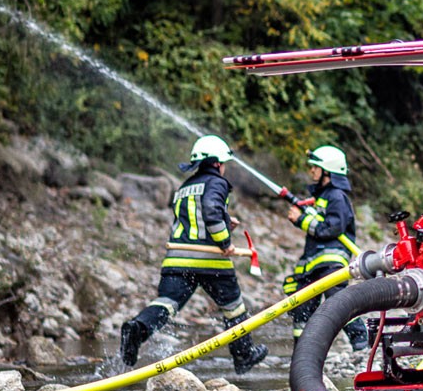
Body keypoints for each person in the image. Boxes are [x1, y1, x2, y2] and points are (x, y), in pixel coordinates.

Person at [118, 135, 269, 373]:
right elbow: (209, 212)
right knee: (233, 306)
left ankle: (138, 329)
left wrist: (226, 220)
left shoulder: (185, 186)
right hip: (209, 260)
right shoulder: (217, 183)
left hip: (177, 258)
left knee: (168, 302)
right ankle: (244, 354)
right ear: (218, 163)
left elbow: (193, 218)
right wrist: (225, 241)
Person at [284, 144, 370, 350]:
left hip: (331, 261)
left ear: (328, 171)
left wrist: (301, 219)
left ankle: (362, 342)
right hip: (312, 262)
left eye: (315, 167)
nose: (311, 170)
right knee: (302, 306)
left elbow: (331, 228)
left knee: (337, 300)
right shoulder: (322, 197)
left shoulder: (337, 197)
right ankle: (302, 353)